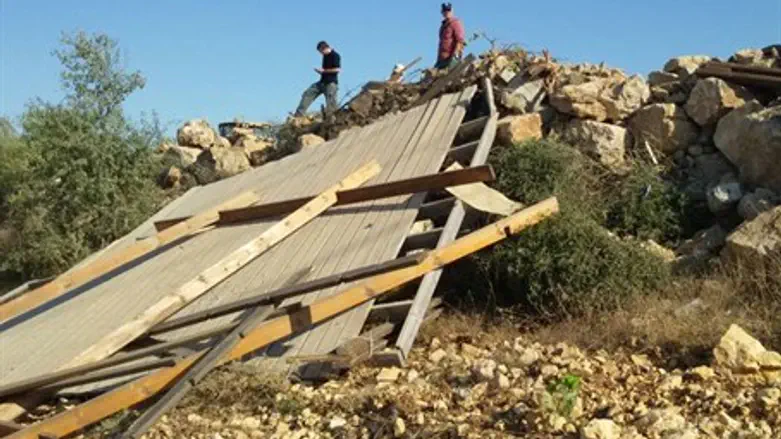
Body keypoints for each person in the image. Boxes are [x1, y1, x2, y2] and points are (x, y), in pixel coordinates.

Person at [295, 41, 341, 116]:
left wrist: (324, 71)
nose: (321, 53)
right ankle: (298, 115)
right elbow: (326, 72)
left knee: (331, 104)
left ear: (324, 48)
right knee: (308, 93)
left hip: (331, 83)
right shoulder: (325, 56)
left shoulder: (335, 55)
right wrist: (321, 72)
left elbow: (337, 69)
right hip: (322, 82)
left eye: (320, 51)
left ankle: (331, 119)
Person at [436, 3, 465, 70]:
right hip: (441, 59)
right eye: (445, 11)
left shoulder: (455, 23)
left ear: (452, 11)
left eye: (448, 10)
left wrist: (456, 55)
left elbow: (460, 40)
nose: (447, 12)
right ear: (442, 12)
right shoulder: (443, 26)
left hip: (451, 57)